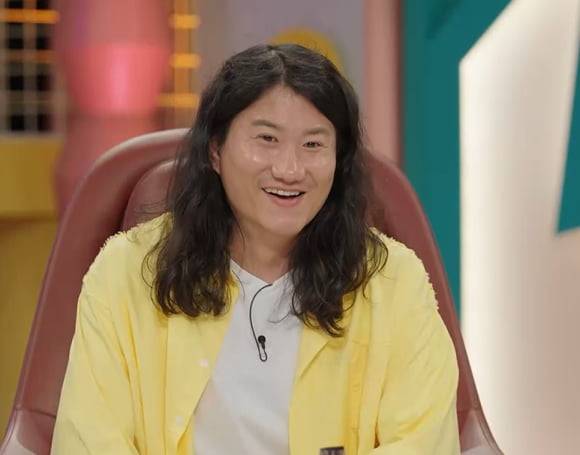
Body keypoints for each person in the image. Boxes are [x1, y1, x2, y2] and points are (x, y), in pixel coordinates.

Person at [51, 44, 460, 454]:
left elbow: (423, 441)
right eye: (267, 139)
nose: (289, 169)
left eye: (313, 145)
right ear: (215, 150)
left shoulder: (394, 282)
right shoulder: (125, 272)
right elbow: (88, 440)